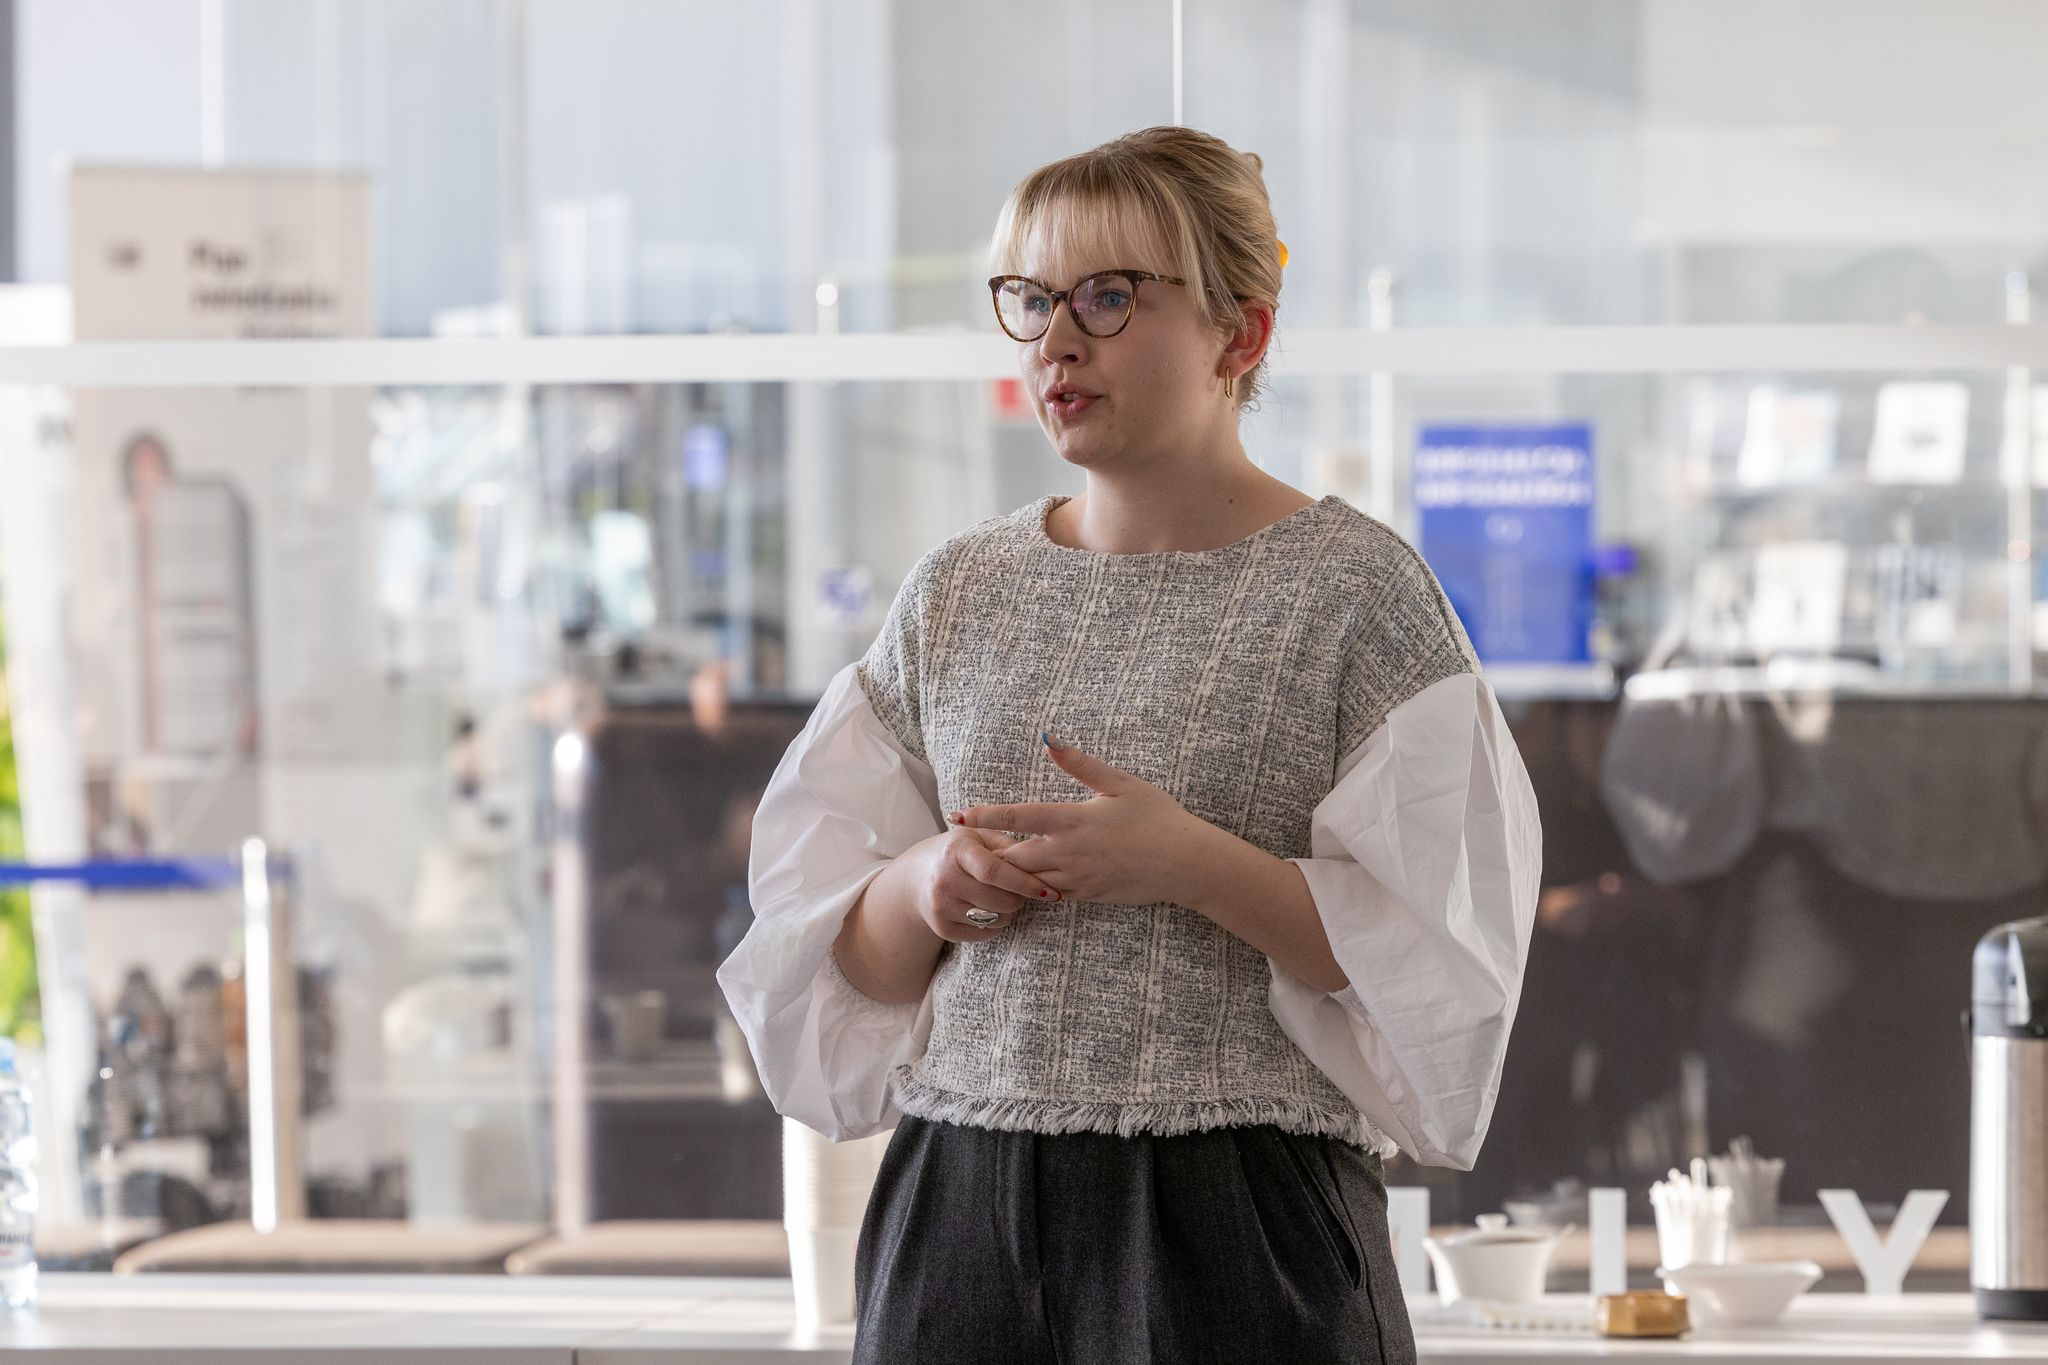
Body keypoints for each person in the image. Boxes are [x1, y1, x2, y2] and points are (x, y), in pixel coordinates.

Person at [717, 125, 1543, 1363]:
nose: (1055, 341)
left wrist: (1188, 863)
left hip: (1243, 1220)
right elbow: (842, 956)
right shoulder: (955, 593)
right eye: (1031, 298)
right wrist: (923, 883)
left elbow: (1437, 960)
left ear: (1239, 335)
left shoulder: (1357, 596)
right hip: (957, 1210)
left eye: (1106, 297)